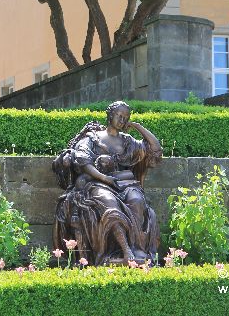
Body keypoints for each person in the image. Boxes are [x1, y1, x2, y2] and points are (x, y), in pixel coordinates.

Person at [52, 101, 162, 265]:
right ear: (110, 115)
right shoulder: (93, 138)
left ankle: (137, 249)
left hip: (124, 184)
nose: (123, 120)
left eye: (126, 118)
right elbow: (83, 161)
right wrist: (104, 178)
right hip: (97, 183)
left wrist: (138, 127)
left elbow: (155, 149)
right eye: (120, 116)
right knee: (110, 204)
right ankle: (121, 251)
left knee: (137, 201)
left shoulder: (128, 142)